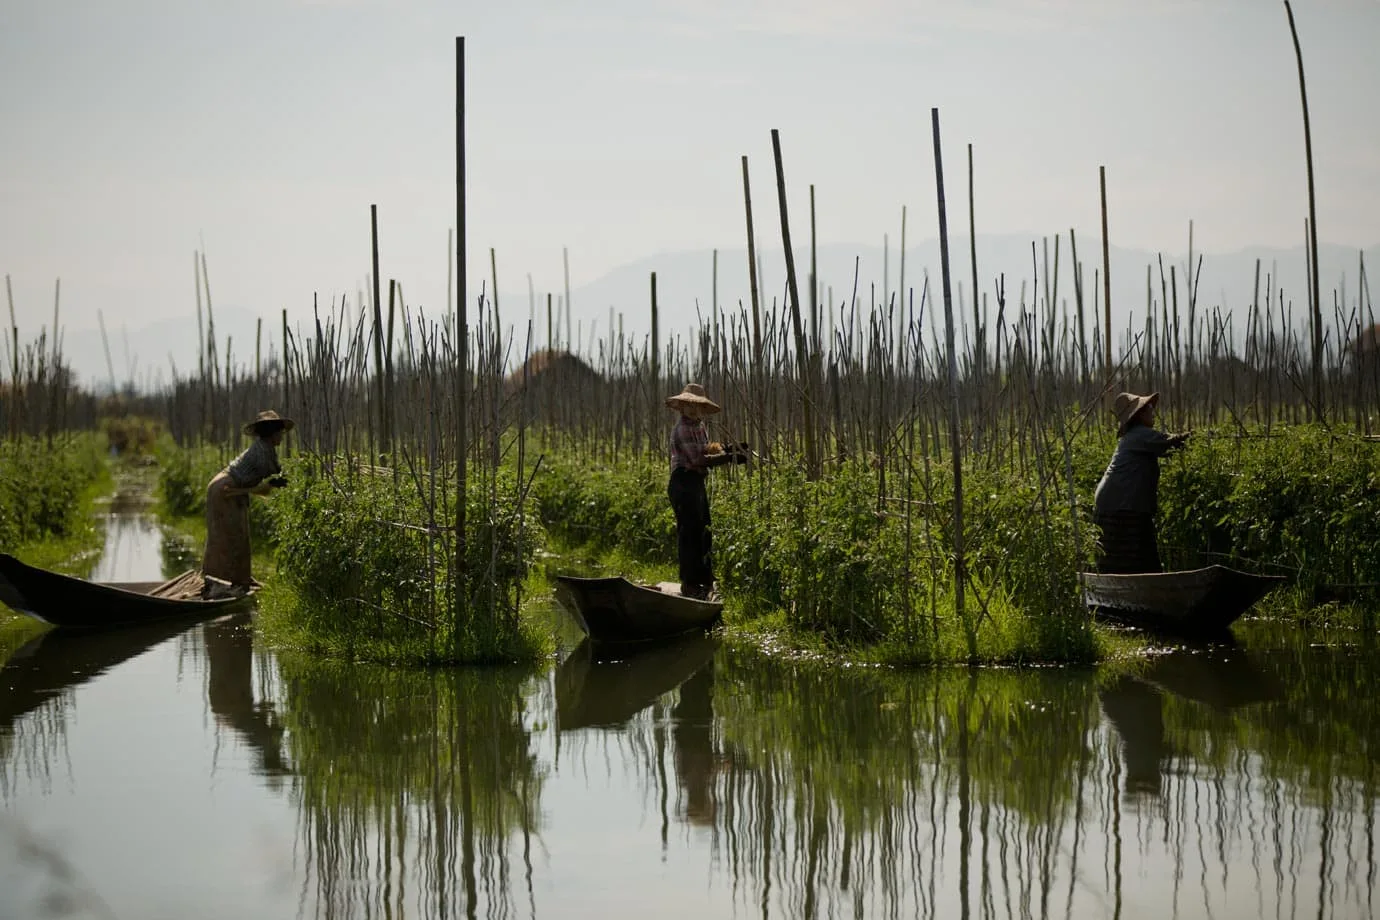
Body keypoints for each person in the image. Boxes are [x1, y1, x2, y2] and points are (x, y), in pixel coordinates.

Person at [1092, 391, 1190, 574]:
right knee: (1134, 554)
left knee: (1120, 556)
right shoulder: (1140, 434)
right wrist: (1190, 437)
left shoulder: (1138, 438)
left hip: (1115, 501)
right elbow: (1169, 442)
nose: (1153, 411)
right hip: (1121, 504)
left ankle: (1127, 589)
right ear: (1139, 415)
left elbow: (1165, 448)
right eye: (1149, 408)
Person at [665, 383, 745, 600]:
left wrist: (728, 449)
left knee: (704, 530)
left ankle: (705, 579)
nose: (693, 410)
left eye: (697, 406)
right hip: (682, 481)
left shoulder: (700, 427)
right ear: (682, 407)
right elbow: (698, 459)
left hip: (696, 482)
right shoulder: (682, 428)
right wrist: (729, 458)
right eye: (689, 406)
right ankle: (689, 584)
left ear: (702, 409)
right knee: (689, 533)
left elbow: (707, 450)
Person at [202, 410, 293, 594]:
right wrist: (298, 483)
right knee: (227, 535)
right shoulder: (262, 451)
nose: (282, 436)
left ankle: (241, 581)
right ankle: (218, 582)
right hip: (225, 490)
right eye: (280, 432)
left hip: (229, 488)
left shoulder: (267, 449)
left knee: (240, 535)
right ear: (272, 433)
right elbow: (277, 479)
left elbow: (278, 474)